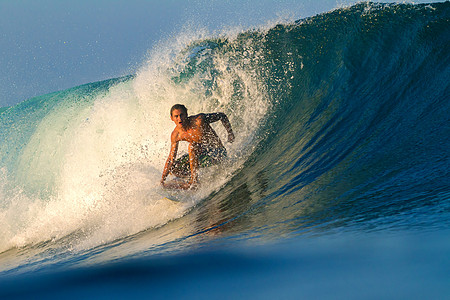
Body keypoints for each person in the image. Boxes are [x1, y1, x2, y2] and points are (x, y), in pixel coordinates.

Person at [161, 104, 235, 190]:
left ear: (186, 114)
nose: (179, 119)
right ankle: (190, 179)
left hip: (217, 153)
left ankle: (194, 182)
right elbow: (170, 159)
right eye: (176, 116)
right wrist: (162, 179)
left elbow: (222, 116)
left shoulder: (199, 120)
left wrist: (230, 133)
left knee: (192, 146)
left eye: (182, 115)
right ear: (172, 118)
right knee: (173, 167)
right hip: (201, 156)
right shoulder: (176, 135)